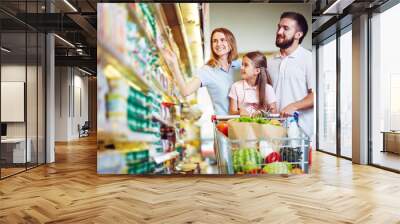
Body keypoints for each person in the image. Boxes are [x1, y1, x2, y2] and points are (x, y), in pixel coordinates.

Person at [163, 27, 241, 115]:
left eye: (223, 40)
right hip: (223, 125)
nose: (218, 44)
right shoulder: (207, 71)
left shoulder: (240, 66)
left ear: (231, 44)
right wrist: (174, 64)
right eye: (214, 41)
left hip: (244, 123)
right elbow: (185, 91)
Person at [267, 12, 314, 137]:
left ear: (298, 34)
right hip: (273, 131)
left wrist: (293, 106)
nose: (279, 31)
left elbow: (315, 96)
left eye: (285, 28)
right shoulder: (269, 62)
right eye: (279, 27)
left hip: (301, 133)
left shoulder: (309, 59)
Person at [228, 51, 277, 116]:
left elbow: (274, 112)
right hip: (242, 125)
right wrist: (240, 112)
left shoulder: (268, 88)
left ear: (257, 71)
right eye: (242, 64)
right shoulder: (236, 86)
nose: (241, 68)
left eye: (246, 65)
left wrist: (262, 113)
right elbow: (232, 112)